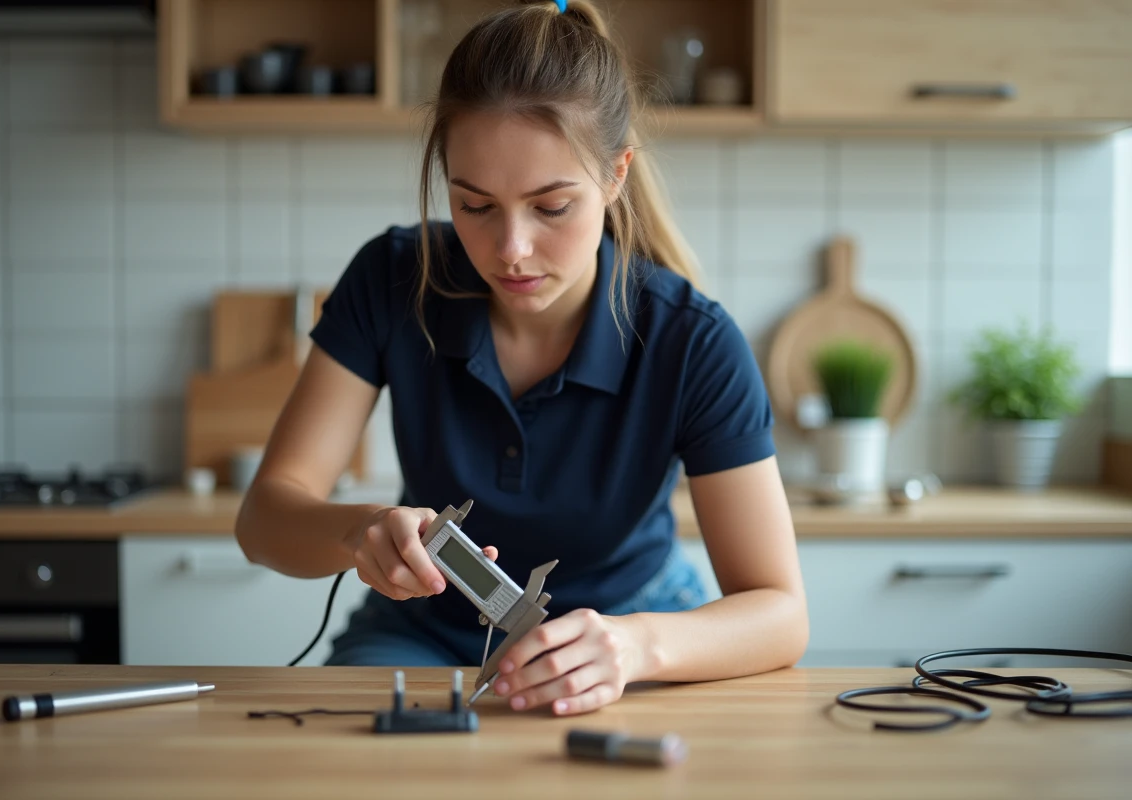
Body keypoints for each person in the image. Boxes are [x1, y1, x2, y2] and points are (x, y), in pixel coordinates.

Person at [236, 0, 808, 717]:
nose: (511, 250)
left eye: (551, 207)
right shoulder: (392, 279)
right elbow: (264, 519)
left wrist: (636, 646)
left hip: (637, 636)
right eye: (475, 206)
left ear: (616, 176)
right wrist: (360, 532)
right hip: (423, 633)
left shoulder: (693, 340)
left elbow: (780, 613)